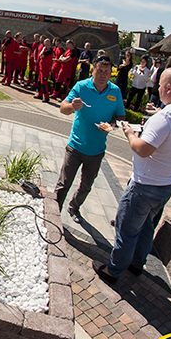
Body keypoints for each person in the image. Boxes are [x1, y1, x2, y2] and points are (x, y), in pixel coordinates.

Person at [93, 68, 171, 283]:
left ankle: (114, 270)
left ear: (168, 88)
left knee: (126, 228)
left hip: (144, 185)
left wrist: (129, 133)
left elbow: (142, 149)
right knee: (146, 227)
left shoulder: (167, 116)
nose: (157, 90)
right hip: (165, 185)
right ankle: (137, 263)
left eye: (159, 86)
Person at [56, 56, 127, 223]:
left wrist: (111, 126)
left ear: (111, 73)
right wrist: (72, 106)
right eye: (100, 71)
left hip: (96, 151)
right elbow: (62, 108)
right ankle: (54, 211)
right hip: (75, 146)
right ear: (93, 70)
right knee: (63, 183)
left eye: (107, 72)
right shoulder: (81, 86)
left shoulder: (115, 91)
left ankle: (74, 207)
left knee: (86, 186)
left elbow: (121, 118)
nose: (103, 75)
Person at [34, 37, 54, 102]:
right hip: (42, 68)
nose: (44, 45)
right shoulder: (47, 49)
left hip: (45, 69)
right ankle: (40, 94)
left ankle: (46, 97)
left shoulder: (49, 50)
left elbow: (41, 55)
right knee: (39, 82)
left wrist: (43, 49)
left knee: (44, 83)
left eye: (45, 44)